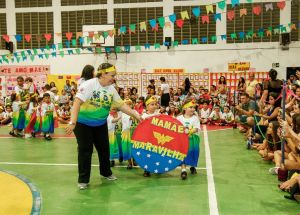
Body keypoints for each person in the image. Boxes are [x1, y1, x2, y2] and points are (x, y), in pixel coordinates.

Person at [65, 63, 142, 190]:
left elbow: (121, 105)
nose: (113, 78)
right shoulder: (89, 85)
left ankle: (106, 172)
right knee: (85, 150)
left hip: (100, 124)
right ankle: (83, 180)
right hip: (83, 124)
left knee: (104, 149)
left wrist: (135, 115)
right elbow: (77, 103)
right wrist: (72, 122)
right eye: (112, 75)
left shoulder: (111, 89)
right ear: (103, 74)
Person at [177, 99, 200, 180]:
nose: (193, 109)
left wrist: (189, 131)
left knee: (193, 154)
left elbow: (196, 128)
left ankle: (192, 166)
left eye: (194, 107)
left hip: (193, 140)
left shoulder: (195, 118)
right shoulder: (179, 118)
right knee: (182, 155)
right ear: (184, 108)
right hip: (182, 140)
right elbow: (176, 127)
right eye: (191, 107)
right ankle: (183, 170)